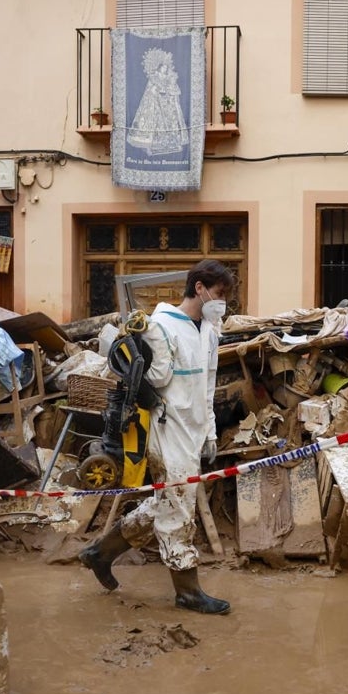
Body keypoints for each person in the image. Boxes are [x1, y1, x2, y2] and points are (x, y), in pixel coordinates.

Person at [80, 259, 234, 615]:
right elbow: (160, 379)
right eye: (220, 293)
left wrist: (209, 429)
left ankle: (99, 554)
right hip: (168, 427)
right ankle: (187, 590)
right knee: (178, 505)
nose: (222, 301)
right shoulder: (162, 324)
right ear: (200, 288)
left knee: (166, 501)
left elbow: (208, 382)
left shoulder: (209, 328)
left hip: (194, 428)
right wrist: (149, 339)